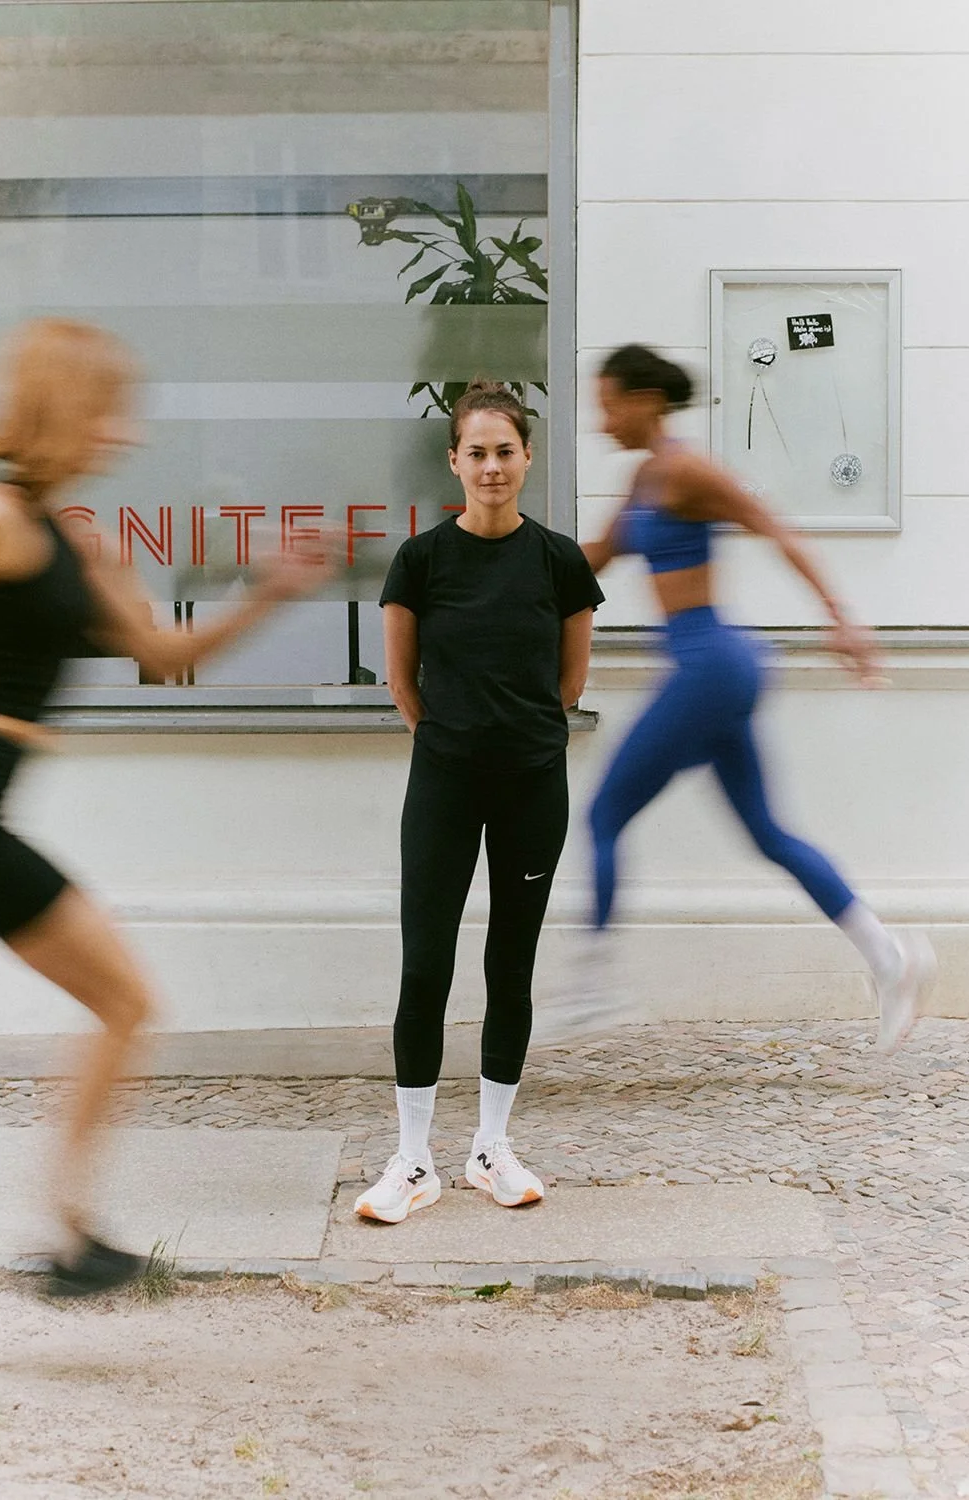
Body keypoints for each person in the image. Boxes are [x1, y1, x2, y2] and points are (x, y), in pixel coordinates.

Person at [0, 318, 331, 1294]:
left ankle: (70, 1229)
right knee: (126, 1002)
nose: (122, 435)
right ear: (62, 407)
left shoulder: (74, 546)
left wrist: (269, 593)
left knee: (123, 1004)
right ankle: (70, 1233)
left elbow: (163, 659)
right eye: (108, 411)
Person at [543, 344, 932, 1053]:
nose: (602, 423)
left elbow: (776, 528)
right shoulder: (643, 482)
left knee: (603, 814)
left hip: (710, 665)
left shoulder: (689, 471)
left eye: (607, 405)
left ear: (645, 400)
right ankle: (889, 956)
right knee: (767, 834)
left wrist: (841, 619)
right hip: (716, 669)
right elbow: (587, 561)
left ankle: (591, 984)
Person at [353, 380, 605, 1223]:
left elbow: (570, 682)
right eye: (477, 452)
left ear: (526, 458)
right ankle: (413, 1159)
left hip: (534, 781)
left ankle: (491, 1148)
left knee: (512, 959)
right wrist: (455, 740)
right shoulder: (420, 561)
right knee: (425, 961)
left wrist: (518, 737)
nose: (491, 466)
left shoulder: (560, 561)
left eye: (506, 451)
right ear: (453, 461)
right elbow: (401, 681)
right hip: (445, 782)